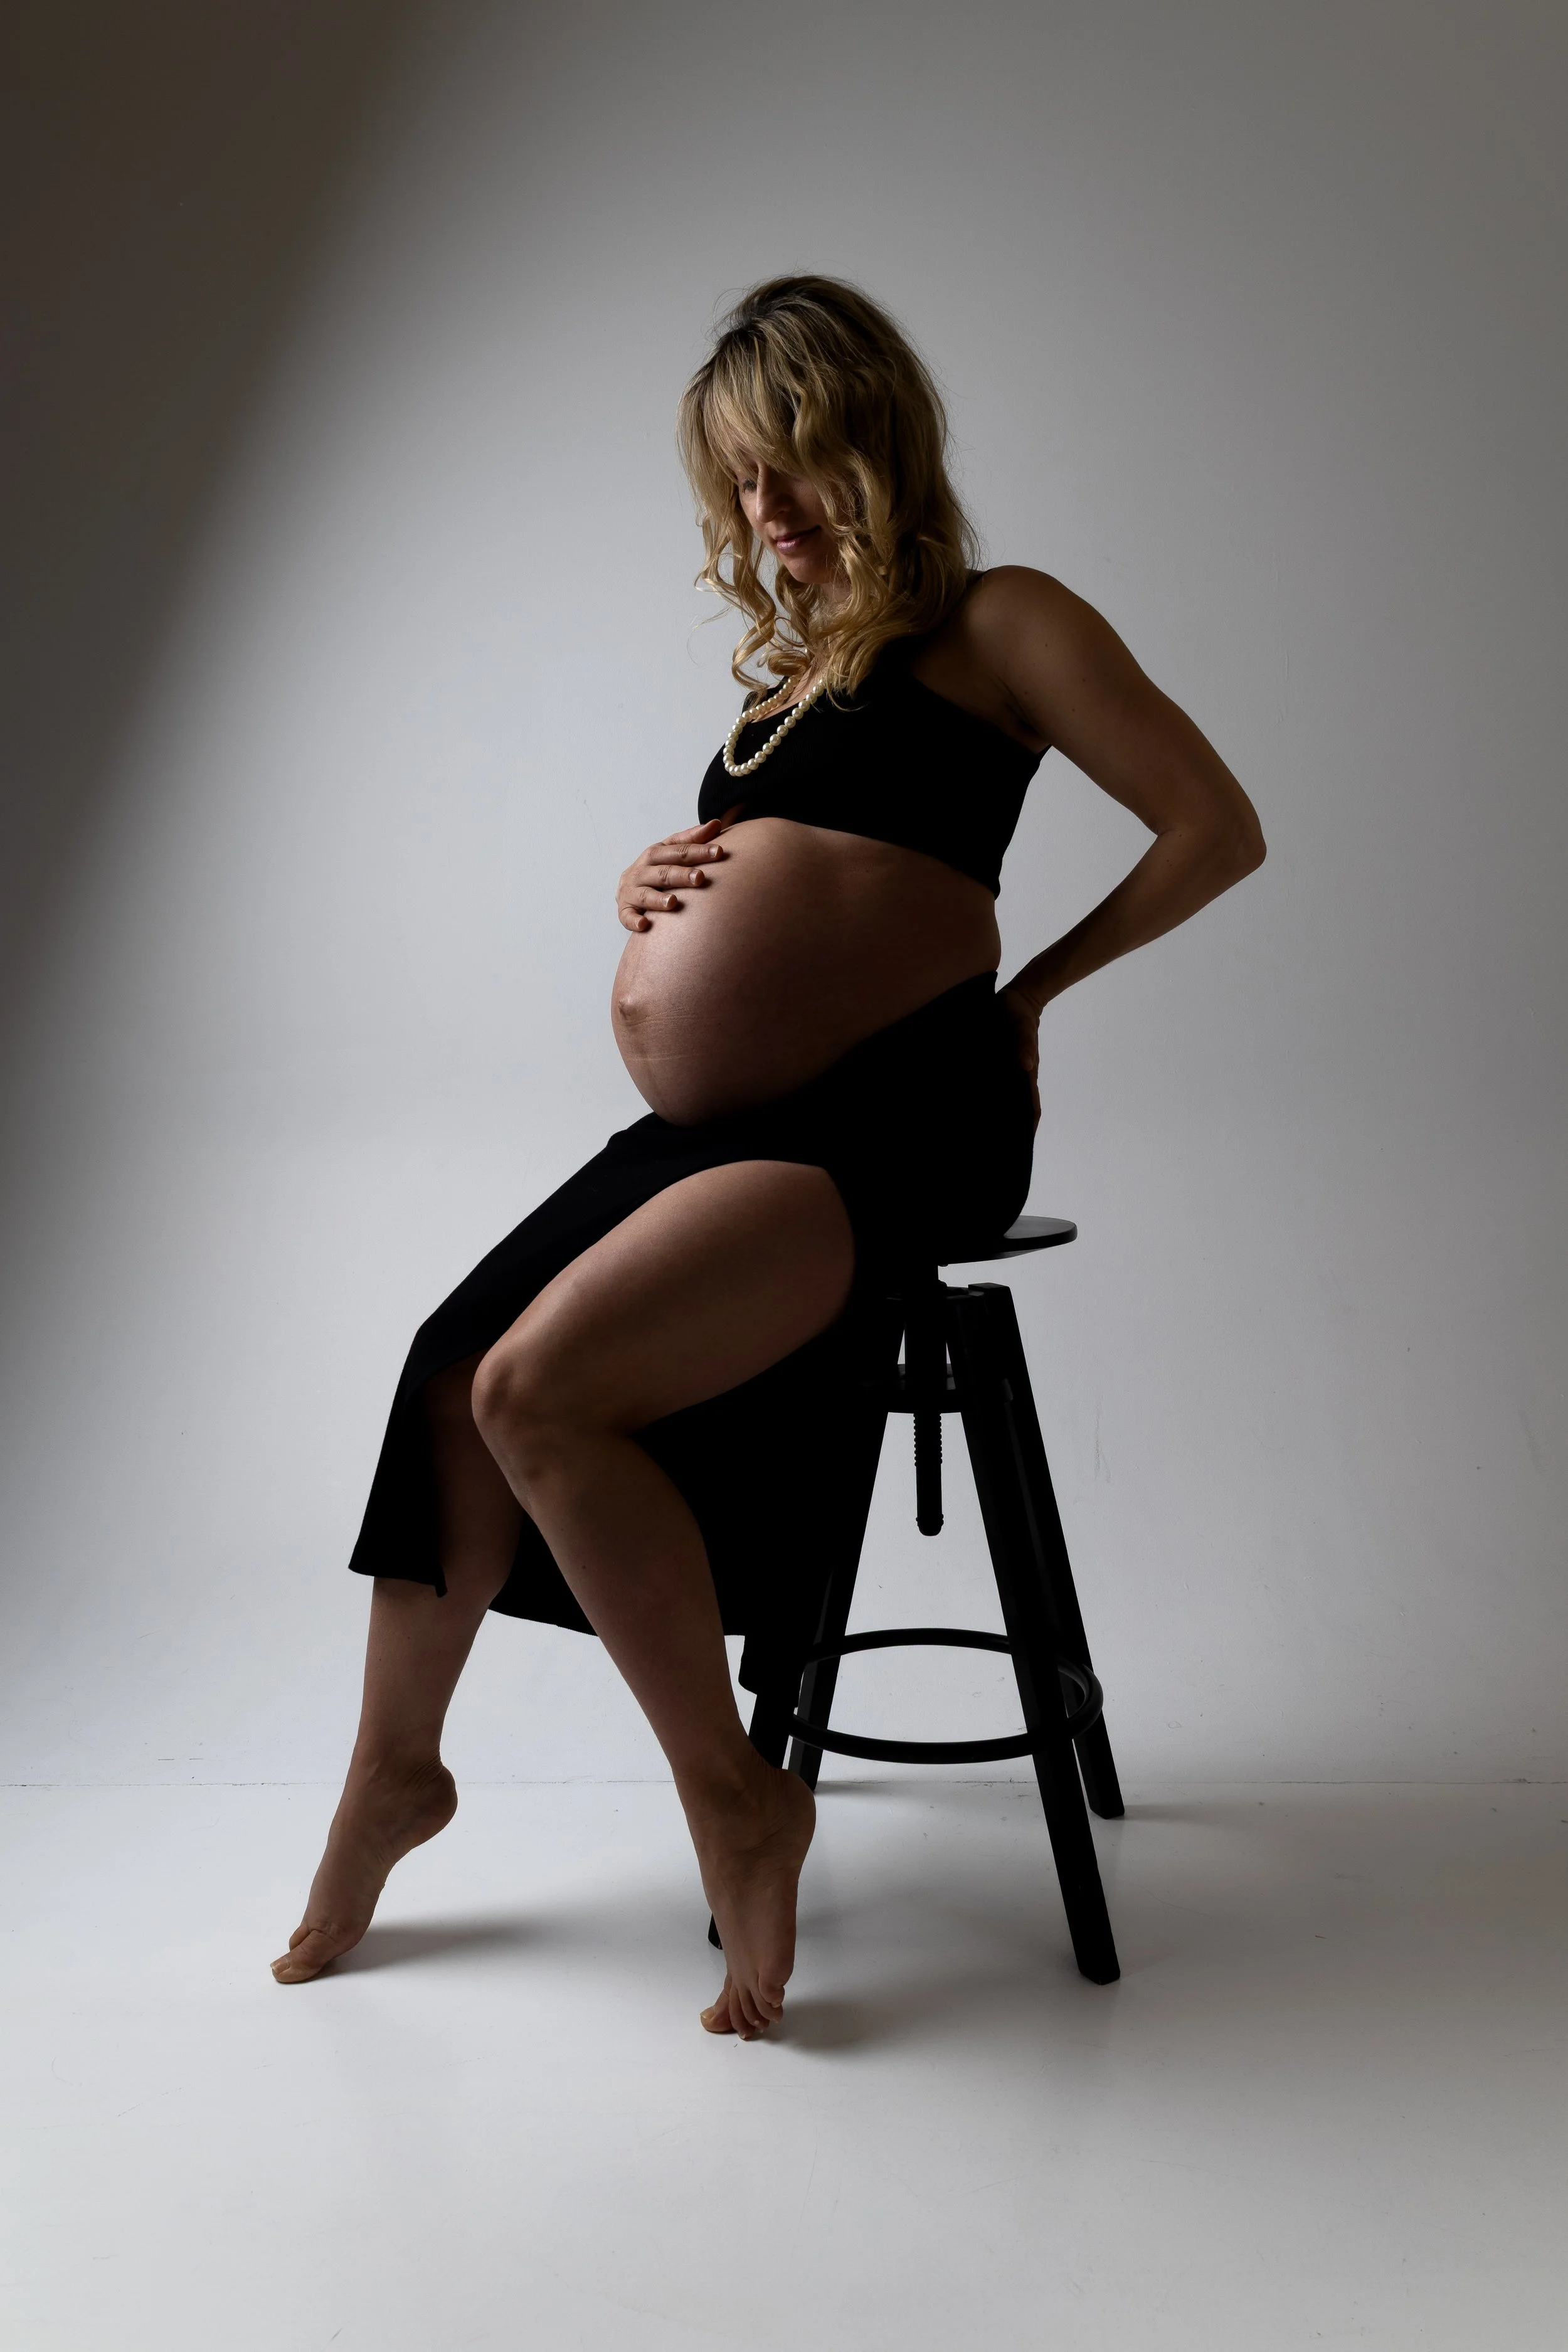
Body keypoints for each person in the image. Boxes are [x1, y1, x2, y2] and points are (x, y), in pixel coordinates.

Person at [272, 275, 1265, 2037]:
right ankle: (391, 1778)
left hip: (904, 1111)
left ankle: (734, 1795)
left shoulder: (995, 620)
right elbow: (756, 913)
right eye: (738, 480)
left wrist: (1031, 984)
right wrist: (641, 897)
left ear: (874, 437)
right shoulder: (777, 686)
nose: (768, 511)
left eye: (793, 460)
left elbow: (1215, 827)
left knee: (544, 1390)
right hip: (713, 1126)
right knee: (452, 1372)